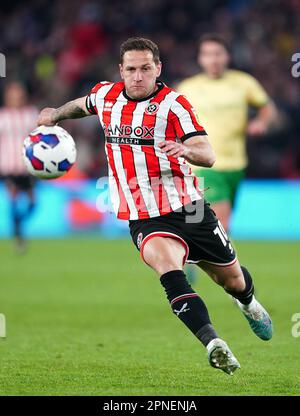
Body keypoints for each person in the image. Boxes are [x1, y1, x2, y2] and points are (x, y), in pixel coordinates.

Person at [37, 37, 272, 375]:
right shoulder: (106, 96)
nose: (137, 76)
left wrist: (185, 150)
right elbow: (82, 104)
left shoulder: (174, 105)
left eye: (145, 68)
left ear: (157, 69)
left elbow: (208, 153)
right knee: (171, 274)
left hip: (189, 208)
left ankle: (248, 303)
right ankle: (213, 343)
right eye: (130, 69)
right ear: (121, 70)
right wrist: (55, 115)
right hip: (143, 215)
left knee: (232, 280)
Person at [177, 33, 278, 232]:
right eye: (207, 54)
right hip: (200, 164)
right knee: (221, 221)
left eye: (217, 53)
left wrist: (260, 122)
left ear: (227, 56)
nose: (213, 59)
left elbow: (268, 108)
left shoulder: (243, 83)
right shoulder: (187, 88)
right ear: (200, 58)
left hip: (235, 164)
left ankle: (188, 260)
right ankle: (222, 262)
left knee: (197, 223)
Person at [0, 81, 38, 251]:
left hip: (28, 167)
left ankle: (19, 224)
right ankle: (18, 236)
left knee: (33, 203)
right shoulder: (3, 116)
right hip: (9, 167)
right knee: (13, 199)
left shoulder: (31, 114)